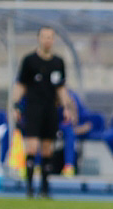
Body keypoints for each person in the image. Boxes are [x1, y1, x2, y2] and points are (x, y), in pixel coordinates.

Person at [13, 26, 75, 199]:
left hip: (50, 109)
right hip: (33, 109)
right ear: (39, 39)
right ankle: (29, 188)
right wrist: (16, 105)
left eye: (50, 37)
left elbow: (61, 88)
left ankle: (45, 189)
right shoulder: (29, 61)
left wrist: (66, 108)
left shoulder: (58, 62)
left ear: (53, 40)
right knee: (32, 146)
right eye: (44, 37)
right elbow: (20, 85)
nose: (47, 40)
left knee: (47, 149)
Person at [58, 89, 96, 177]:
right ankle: (37, 165)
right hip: (52, 126)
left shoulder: (72, 96)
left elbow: (87, 123)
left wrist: (80, 127)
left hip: (67, 128)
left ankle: (69, 166)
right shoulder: (47, 95)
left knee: (70, 133)